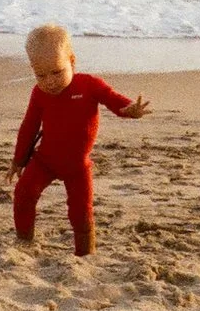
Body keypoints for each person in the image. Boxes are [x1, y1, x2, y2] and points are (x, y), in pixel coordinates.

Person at [10, 24, 150, 256]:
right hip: (45, 161)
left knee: (81, 212)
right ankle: (24, 241)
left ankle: (85, 253)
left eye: (57, 72)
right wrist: (18, 161)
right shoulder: (39, 93)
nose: (50, 81)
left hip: (78, 167)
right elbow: (29, 127)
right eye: (41, 75)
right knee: (24, 193)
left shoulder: (89, 85)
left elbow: (113, 100)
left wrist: (129, 109)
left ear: (72, 61)